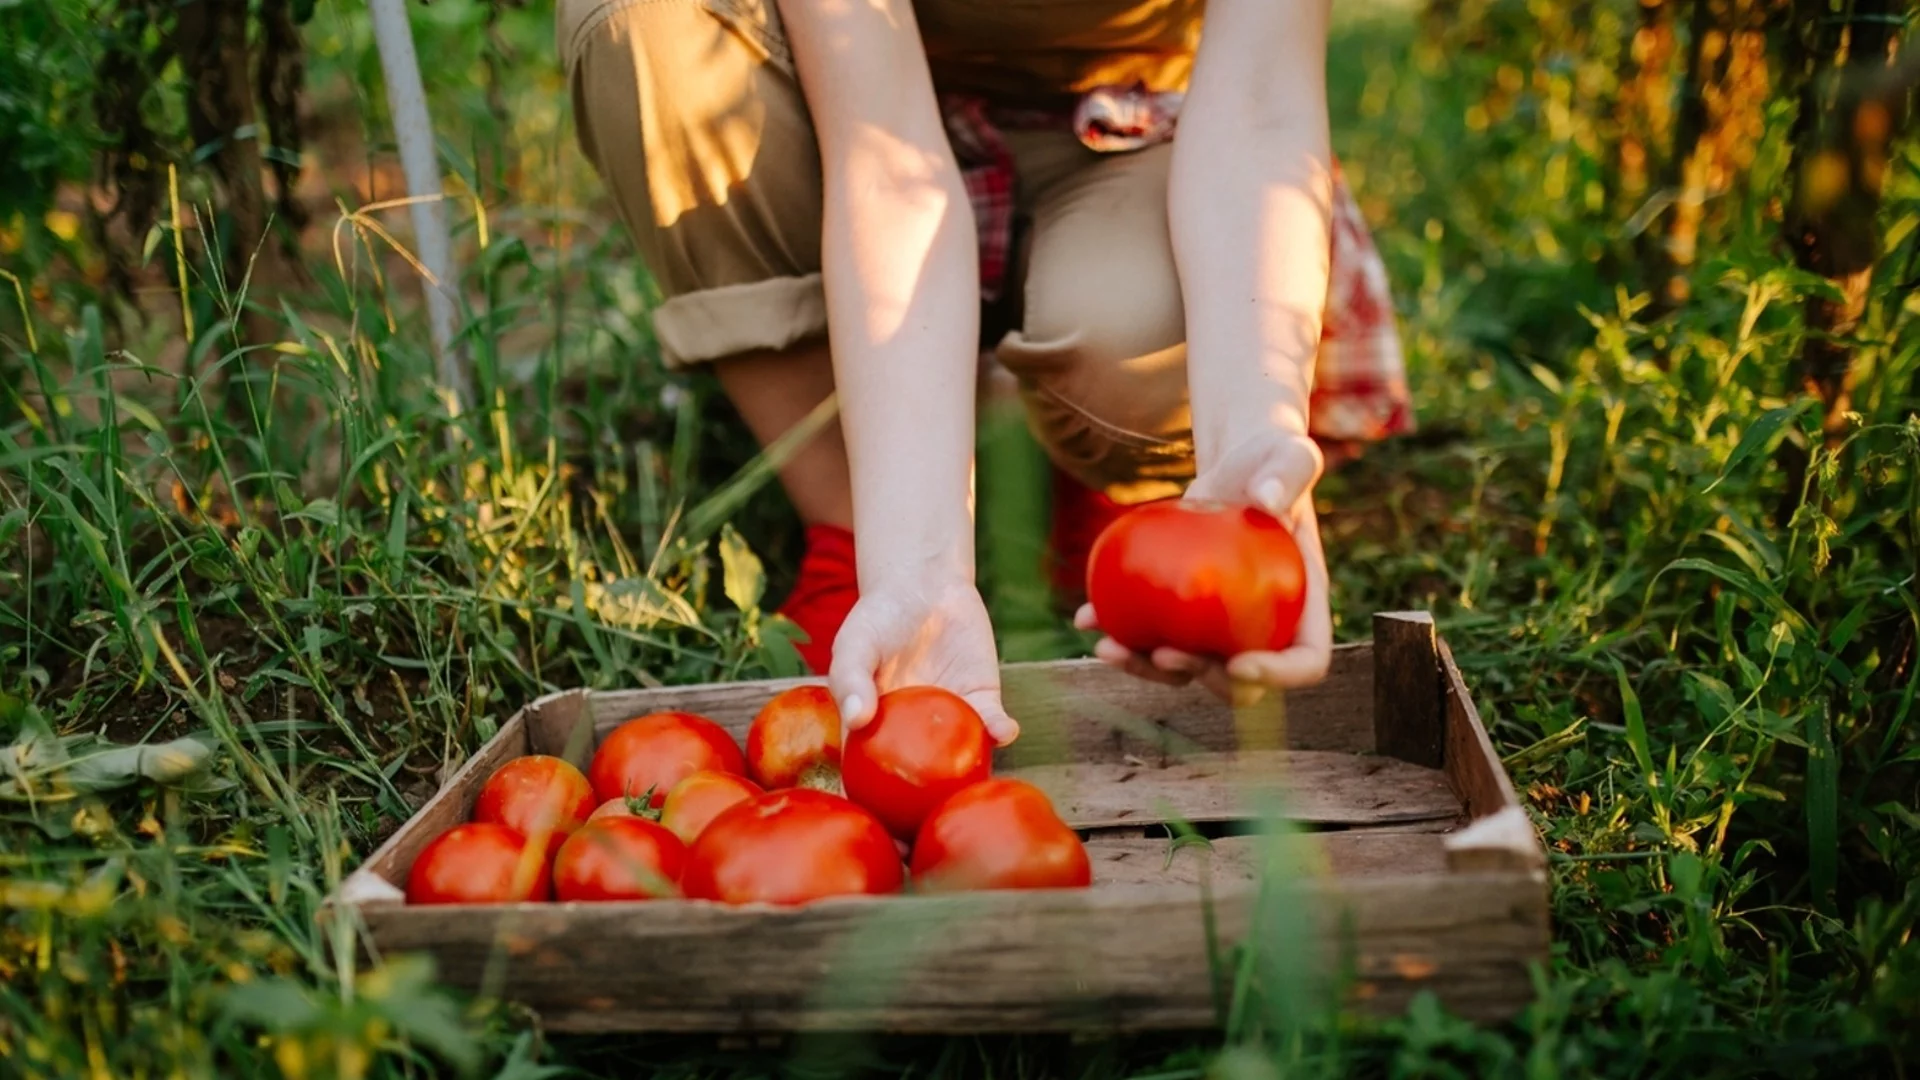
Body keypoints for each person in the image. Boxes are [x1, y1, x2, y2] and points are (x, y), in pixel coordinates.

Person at [558, 0, 1411, 745]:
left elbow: (1259, 104)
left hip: (1141, 130)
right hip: (852, 118)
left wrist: (1251, 438)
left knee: (1127, 334)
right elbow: (888, 158)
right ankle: (855, 529)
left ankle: (1126, 486)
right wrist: (913, 566)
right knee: (636, 13)